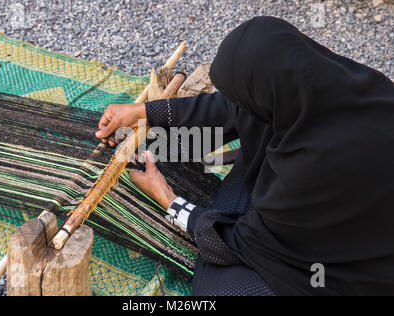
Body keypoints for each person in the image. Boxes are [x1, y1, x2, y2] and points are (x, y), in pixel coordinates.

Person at [95, 16, 394, 296]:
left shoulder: (312, 169)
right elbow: (234, 108)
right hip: (325, 207)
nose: (238, 105)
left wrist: (167, 198)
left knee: (218, 287)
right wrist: (144, 112)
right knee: (255, 127)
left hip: (347, 267)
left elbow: (242, 243)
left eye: (239, 98)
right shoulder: (328, 84)